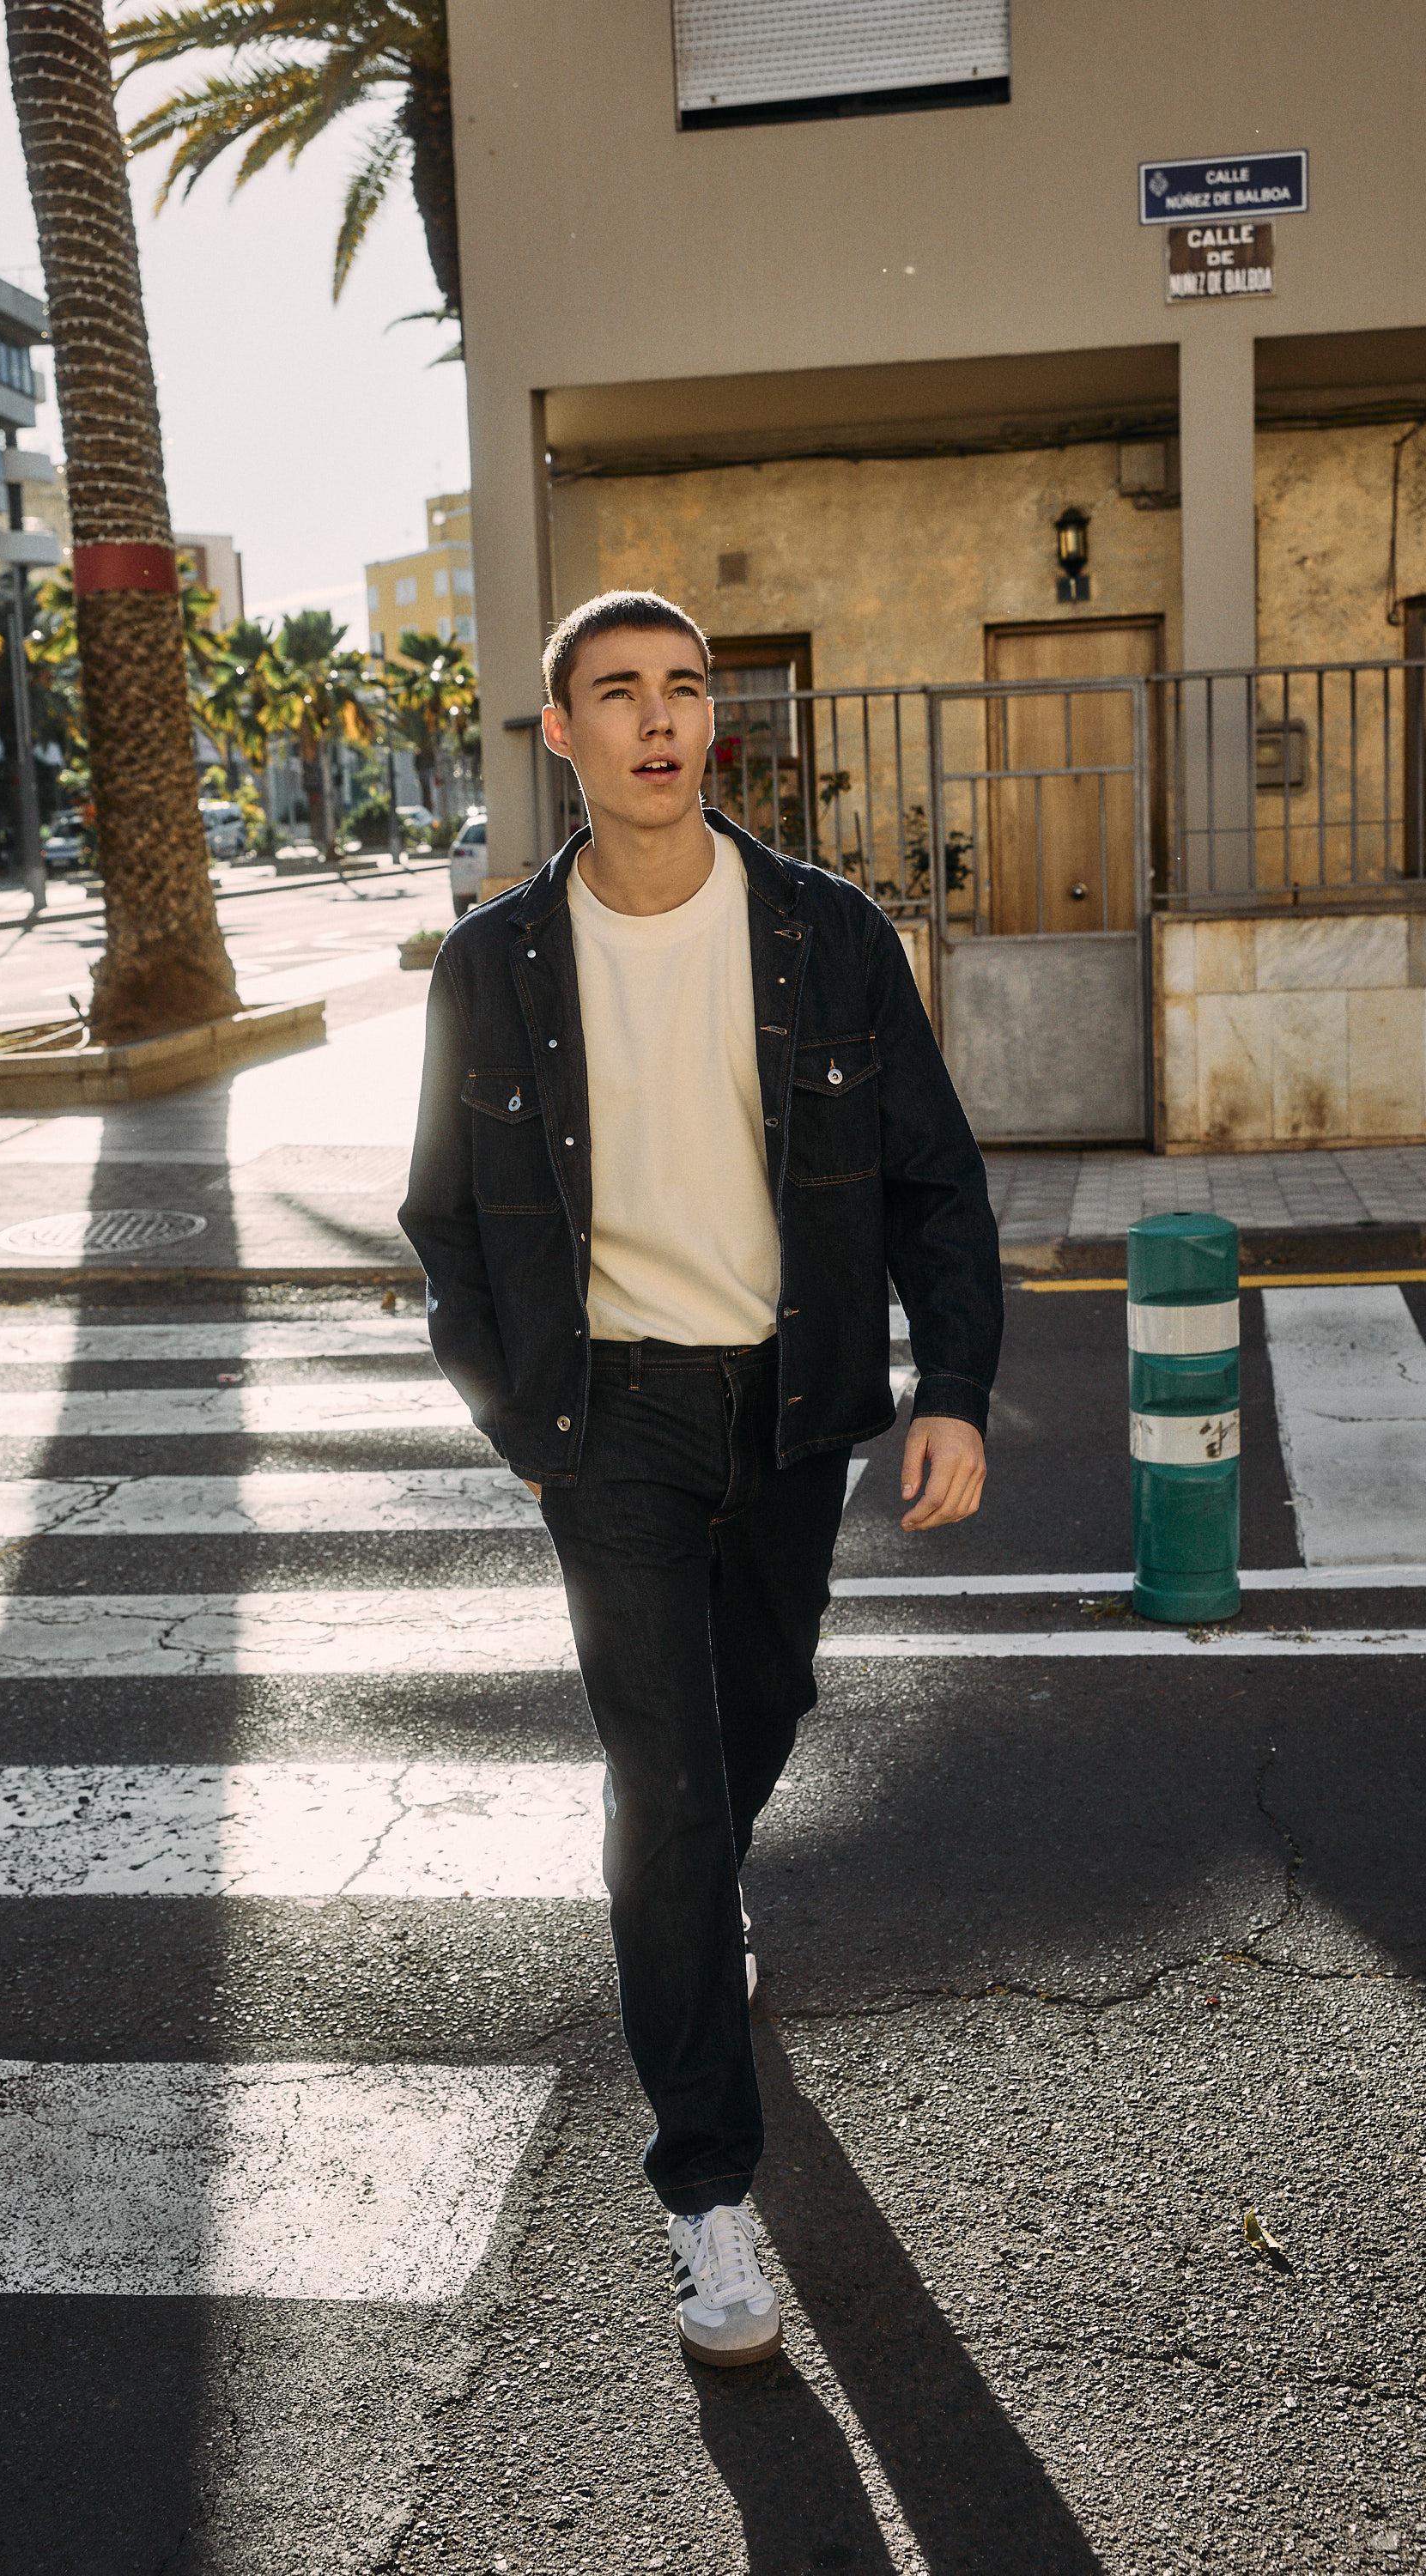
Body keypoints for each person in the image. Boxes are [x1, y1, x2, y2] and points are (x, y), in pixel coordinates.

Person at [400, 589, 1001, 2367]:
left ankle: (701, 1896)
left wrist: (949, 1384)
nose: (658, 720)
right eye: (618, 693)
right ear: (558, 731)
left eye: (684, 691)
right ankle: (703, 2192)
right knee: (658, 1781)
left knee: (765, 1703)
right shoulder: (493, 968)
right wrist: (521, 1431)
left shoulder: (821, 936)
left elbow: (930, 1181)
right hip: (610, 1426)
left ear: (707, 727)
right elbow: (443, 1226)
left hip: (789, 1399)